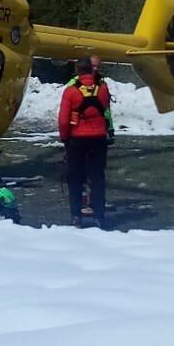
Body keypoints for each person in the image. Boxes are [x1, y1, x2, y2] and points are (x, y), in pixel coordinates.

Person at [59, 54, 114, 227]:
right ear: (91, 69)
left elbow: (63, 119)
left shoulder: (71, 91)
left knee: (75, 179)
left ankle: (76, 216)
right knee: (97, 178)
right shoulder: (103, 88)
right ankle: (99, 216)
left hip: (76, 140)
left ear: (77, 71)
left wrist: (64, 137)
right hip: (98, 138)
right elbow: (105, 109)